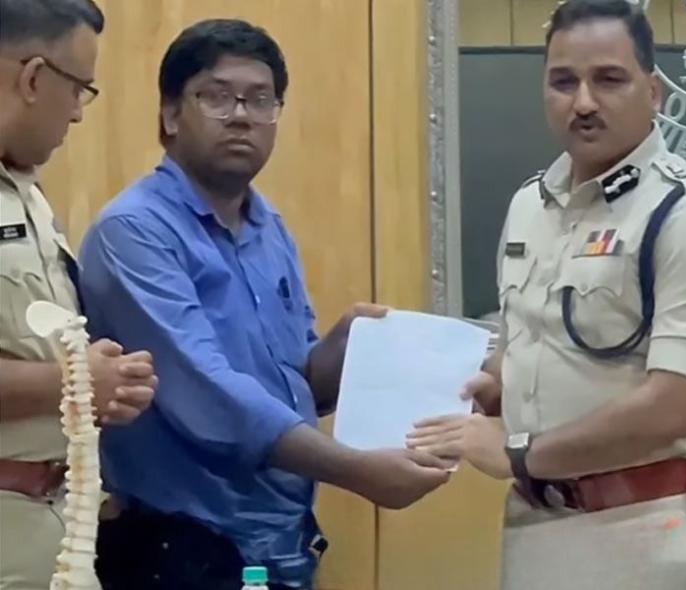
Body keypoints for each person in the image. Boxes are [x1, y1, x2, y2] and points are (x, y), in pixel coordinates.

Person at [77, 19, 450, 590]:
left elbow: (296, 384)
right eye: (217, 97)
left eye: (260, 99)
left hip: (283, 543)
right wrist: (356, 472)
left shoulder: (268, 226)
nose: (242, 115)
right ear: (171, 115)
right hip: (179, 550)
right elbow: (209, 396)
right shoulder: (135, 231)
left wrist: (345, 347)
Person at [408, 1, 686, 589]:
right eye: (563, 82)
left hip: (645, 531)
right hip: (533, 525)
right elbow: (531, 347)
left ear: (655, 92)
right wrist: (493, 383)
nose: (583, 102)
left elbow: (673, 405)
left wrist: (515, 452)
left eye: (608, 79)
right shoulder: (529, 206)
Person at [0, 1, 157, 588]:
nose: (78, 115)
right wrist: (74, 381)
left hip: (55, 524)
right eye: (79, 89)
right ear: (34, 77)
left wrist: (93, 387)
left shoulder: (26, 193)